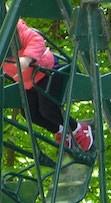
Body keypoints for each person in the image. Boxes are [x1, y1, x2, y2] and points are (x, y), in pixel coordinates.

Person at [3, 19, 93, 152]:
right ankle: (62, 130)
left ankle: (78, 129)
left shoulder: (16, 30)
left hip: (46, 71)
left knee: (47, 110)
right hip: (27, 81)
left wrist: (27, 59)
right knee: (29, 113)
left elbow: (36, 40)